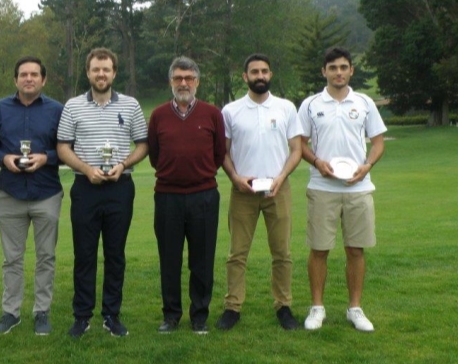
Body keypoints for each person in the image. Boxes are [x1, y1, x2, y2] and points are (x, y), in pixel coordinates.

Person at [57, 47, 149, 338]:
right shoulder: (72, 106)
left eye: (106, 69)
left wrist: (122, 164)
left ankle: (111, 315)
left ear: (114, 73)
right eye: (96, 69)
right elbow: (62, 147)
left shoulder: (131, 105)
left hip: (120, 188)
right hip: (86, 188)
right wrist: (86, 169)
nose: (101, 74)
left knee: (115, 254)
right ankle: (82, 316)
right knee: (84, 254)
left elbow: (143, 145)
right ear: (88, 72)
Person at [297, 47, 386, 332]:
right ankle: (317, 308)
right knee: (319, 249)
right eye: (333, 67)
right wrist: (317, 162)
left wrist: (367, 166)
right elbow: (299, 144)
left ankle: (355, 308)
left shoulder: (364, 102)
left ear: (351, 71)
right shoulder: (311, 104)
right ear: (324, 71)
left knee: (356, 250)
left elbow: (378, 143)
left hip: (358, 188)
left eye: (343, 67)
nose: (338, 72)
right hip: (322, 187)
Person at [216, 54, 303, 332]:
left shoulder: (286, 108)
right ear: (245, 77)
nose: (260, 76)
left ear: (271, 74)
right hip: (243, 192)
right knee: (237, 254)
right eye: (254, 72)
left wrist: (281, 177)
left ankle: (284, 306)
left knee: (282, 253)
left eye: (264, 71)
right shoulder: (230, 111)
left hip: (278, 190)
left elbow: (297, 149)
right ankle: (232, 307)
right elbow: (223, 152)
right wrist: (235, 177)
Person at [147, 56, 226, 335]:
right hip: (167, 197)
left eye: (189, 78)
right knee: (169, 259)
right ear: (171, 81)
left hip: (203, 196)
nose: (184, 83)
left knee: (202, 259)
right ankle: (171, 316)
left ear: (197, 82)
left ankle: (199, 316)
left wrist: (199, 174)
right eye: (178, 78)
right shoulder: (158, 115)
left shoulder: (212, 113)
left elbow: (219, 154)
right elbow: (154, 156)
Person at [0, 56, 64, 336]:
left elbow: (68, 146)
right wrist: (4, 157)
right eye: (23, 74)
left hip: (46, 192)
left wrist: (47, 157)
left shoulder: (57, 110)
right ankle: (11, 312)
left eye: (34, 74)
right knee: (12, 258)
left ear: (43, 79)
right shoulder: (1, 108)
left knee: (46, 256)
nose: (28, 78)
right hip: (10, 192)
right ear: (15, 80)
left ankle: (42, 311)